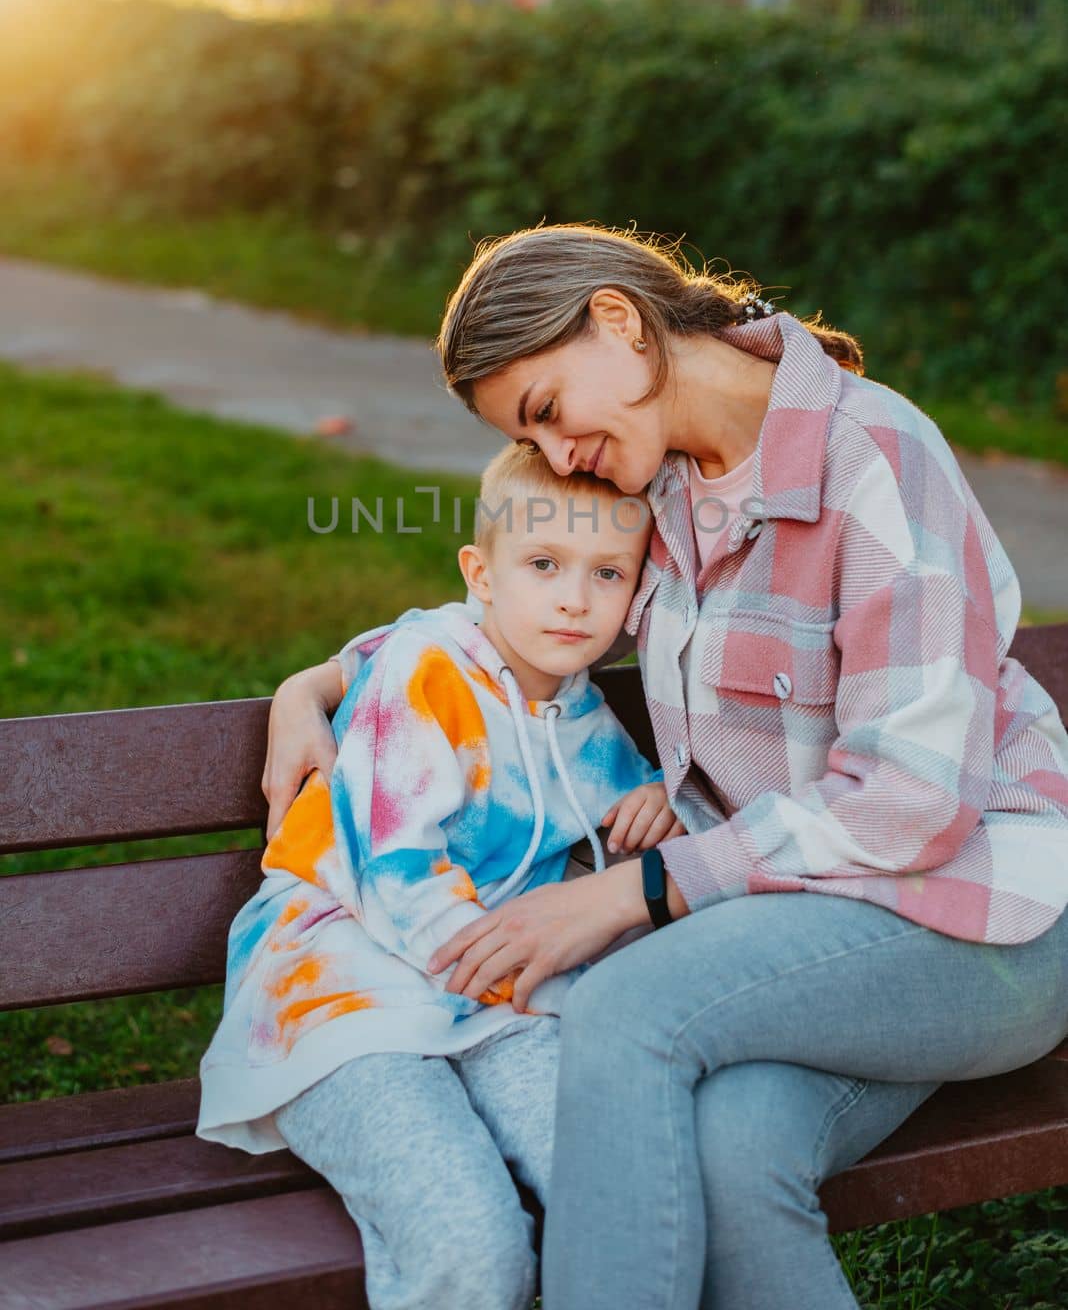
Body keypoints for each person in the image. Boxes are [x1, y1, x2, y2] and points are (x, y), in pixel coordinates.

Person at [262, 224, 1068, 1310]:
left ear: (616, 319)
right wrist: (314, 686)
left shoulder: (873, 460)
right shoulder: (662, 484)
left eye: (546, 409)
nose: (554, 455)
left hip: (980, 922)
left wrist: (645, 888)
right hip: (804, 932)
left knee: (622, 1006)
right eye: (526, 438)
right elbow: (515, 621)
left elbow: (915, 802)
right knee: (731, 1154)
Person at [197, 438, 680, 1310]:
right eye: (544, 563)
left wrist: (658, 806)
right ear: (481, 573)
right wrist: (524, 975)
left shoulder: (578, 709)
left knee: (611, 1192)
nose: (575, 599)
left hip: (490, 993)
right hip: (343, 991)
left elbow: (626, 794)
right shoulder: (424, 672)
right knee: (473, 1244)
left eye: (608, 574)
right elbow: (401, 871)